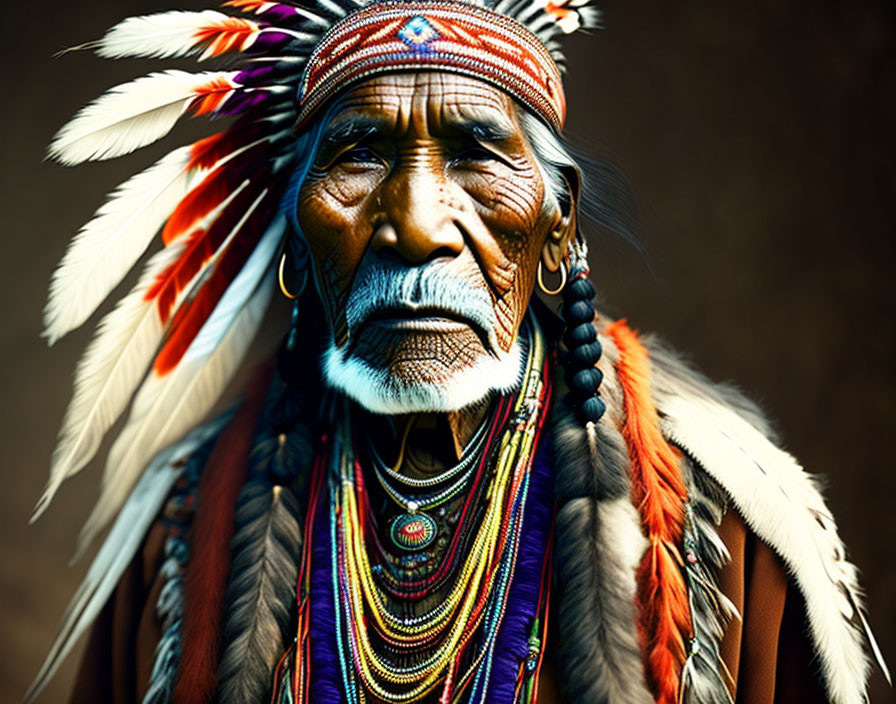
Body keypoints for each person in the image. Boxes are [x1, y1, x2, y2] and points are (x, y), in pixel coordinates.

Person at [25, 1, 887, 703]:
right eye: (359, 156)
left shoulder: (720, 521)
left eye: (478, 154)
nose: (417, 225)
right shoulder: (183, 526)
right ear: (299, 243)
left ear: (557, 228)